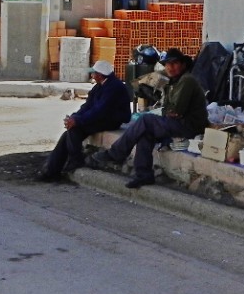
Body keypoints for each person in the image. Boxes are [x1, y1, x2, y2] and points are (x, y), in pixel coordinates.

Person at [86, 47, 208, 189]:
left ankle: (116, 153)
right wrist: (169, 110)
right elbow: (168, 109)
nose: (170, 67)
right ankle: (143, 175)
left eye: (174, 63)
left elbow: (175, 110)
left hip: (189, 126)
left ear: (183, 65)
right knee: (145, 133)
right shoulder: (173, 82)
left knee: (145, 120)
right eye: (168, 64)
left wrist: (170, 111)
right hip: (177, 122)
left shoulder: (187, 81)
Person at [36, 60, 130, 182]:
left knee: (75, 129)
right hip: (101, 117)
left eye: (94, 73)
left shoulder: (114, 87)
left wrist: (78, 121)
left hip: (111, 120)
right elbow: (88, 106)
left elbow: (100, 110)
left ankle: (75, 160)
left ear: (100, 75)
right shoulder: (99, 86)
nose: (92, 76)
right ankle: (52, 169)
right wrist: (74, 117)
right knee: (68, 133)